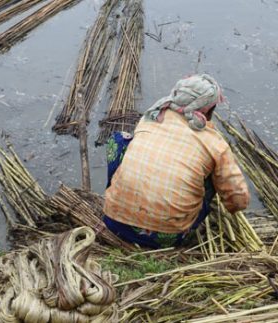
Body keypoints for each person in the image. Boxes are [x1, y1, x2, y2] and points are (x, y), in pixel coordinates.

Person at [103, 74, 250, 249]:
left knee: (120, 141)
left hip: (113, 221)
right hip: (166, 237)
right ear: (209, 110)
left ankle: (119, 195)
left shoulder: (150, 118)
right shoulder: (215, 143)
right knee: (214, 173)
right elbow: (239, 201)